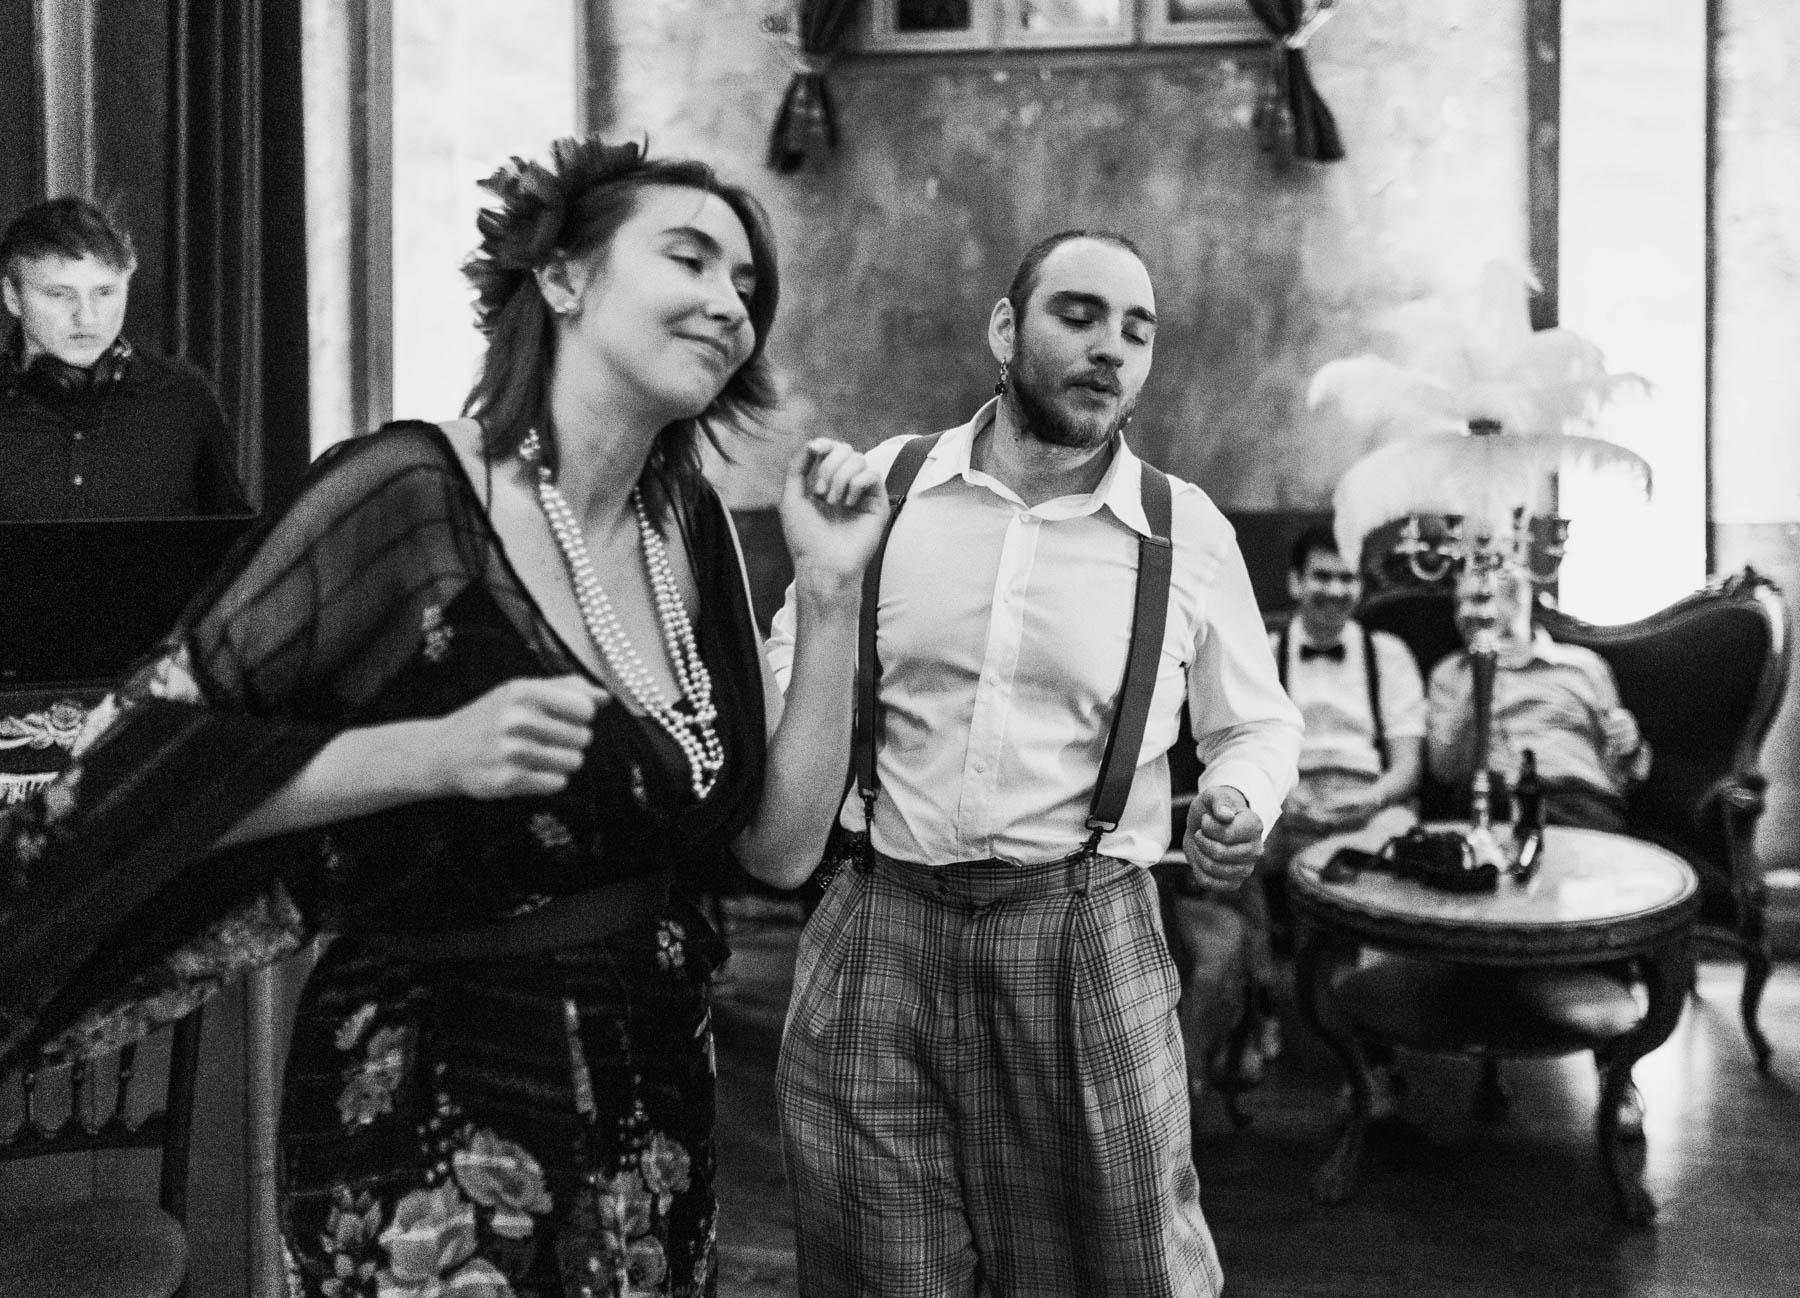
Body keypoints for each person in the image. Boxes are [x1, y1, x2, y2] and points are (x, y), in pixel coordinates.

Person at [0, 137, 887, 1297]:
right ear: (561, 275)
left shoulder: (691, 522)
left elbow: (778, 849)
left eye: (748, 284)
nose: (731, 303)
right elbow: (137, 770)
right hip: (431, 1094)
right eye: (690, 258)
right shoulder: (409, 492)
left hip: (653, 1095)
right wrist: (428, 753)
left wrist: (830, 592)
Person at [768, 229, 1302, 1297]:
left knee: (1123, 1271)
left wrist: (1240, 797)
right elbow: (793, 668)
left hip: (1082, 937)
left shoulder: (1184, 532)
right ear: (1006, 329)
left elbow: (1257, 724)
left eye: (1137, 331)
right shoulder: (888, 488)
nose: (1111, 348)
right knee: (879, 1277)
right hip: (877, 925)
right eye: (1079, 314)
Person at [1198, 523, 1426, 1086]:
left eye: (1347, 578)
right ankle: (1255, 1008)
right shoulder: (1262, 650)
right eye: (1323, 576)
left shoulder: (1389, 655)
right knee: (1227, 853)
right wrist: (1273, 791)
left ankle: (1373, 1039)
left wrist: (1368, 798)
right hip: (1283, 795)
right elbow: (1236, 742)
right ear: (1296, 582)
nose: (1336, 589)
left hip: (1368, 798)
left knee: (1392, 854)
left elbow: (1407, 767)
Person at [0, 197, 245, 518]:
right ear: (12, 297)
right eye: (59, 294)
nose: (86, 318)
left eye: (104, 292)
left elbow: (235, 540)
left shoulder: (184, 397)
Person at [1428, 562, 1650, 833]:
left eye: (1478, 600)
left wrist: (1630, 747)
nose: (1463, 613)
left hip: (1577, 799)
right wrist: (1478, 680)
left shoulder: (1583, 666)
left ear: (1518, 603)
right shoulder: (1451, 673)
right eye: (1458, 604)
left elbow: (1621, 777)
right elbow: (1443, 770)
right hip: (1495, 802)